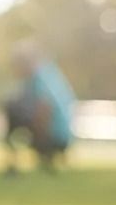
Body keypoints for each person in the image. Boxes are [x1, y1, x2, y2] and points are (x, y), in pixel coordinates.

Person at [5, 41, 75, 174]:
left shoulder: (39, 77)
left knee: (12, 109)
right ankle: (45, 157)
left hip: (55, 138)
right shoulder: (50, 71)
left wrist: (39, 134)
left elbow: (45, 108)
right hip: (62, 137)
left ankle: (15, 163)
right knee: (18, 109)